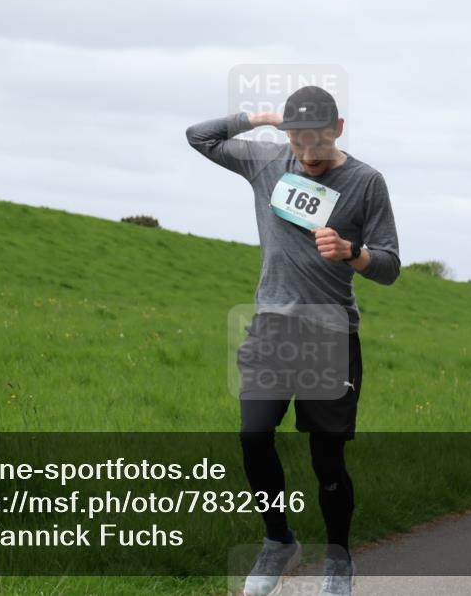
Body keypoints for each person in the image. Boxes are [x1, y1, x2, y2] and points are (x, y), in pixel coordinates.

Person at [186, 86, 400, 596]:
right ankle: (279, 540)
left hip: (330, 334)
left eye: (317, 139)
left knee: (327, 460)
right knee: (253, 435)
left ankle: (339, 561)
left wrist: (353, 253)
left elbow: (390, 266)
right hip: (272, 328)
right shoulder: (268, 160)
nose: (307, 151)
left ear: (339, 129)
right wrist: (257, 118)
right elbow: (199, 137)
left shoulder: (366, 182)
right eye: (297, 138)